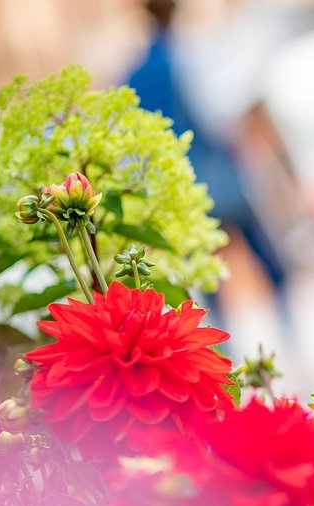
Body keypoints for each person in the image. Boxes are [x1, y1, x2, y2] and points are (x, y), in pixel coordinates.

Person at [126, 0, 290, 333]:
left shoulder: (134, 73)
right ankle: (291, 335)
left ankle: (225, 345)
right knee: (263, 254)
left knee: (207, 270)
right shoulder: (189, 56)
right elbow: (216, 119)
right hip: (221, 176)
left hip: (178, 191)